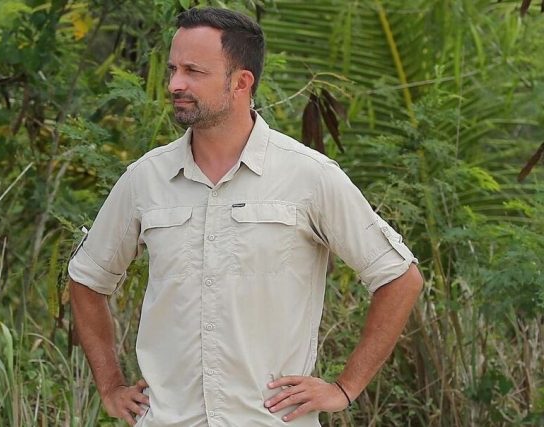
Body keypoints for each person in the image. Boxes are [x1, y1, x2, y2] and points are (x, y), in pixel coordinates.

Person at [68, 7, 423, 426]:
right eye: (173, 69)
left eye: (193, 71)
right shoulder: (145, 179)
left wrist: (345, 388)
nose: (175, 84)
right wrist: (111, 386)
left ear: (241, 82)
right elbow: (87, 279)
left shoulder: (309, 176)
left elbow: (399, 278)